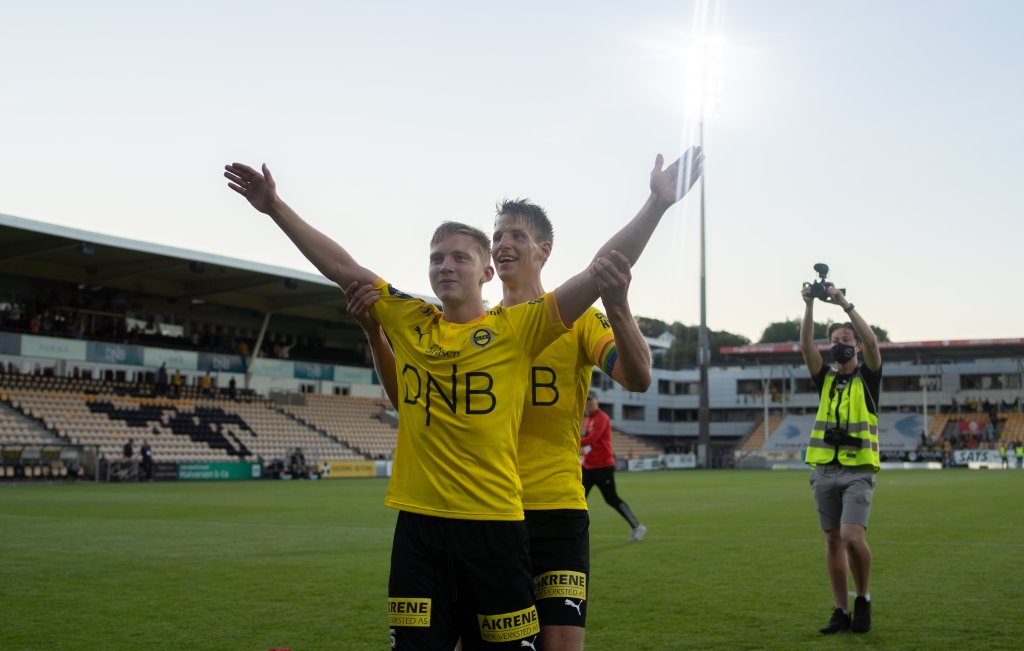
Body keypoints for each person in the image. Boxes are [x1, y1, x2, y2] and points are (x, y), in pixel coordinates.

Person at [226, 148, 701, 649]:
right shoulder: (420, 322)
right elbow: (345, 270)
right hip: (439, 519)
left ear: (515, 261)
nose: (452, 264)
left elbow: (612, 297)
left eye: (465, 255)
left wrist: (655, 207)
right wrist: (277, 208)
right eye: (440, 257)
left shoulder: (527, 326)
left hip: (522, 512)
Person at [352, 200, 654, 651]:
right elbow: (411, 402)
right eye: (496, 238)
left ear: (544, 250)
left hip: (553, 510)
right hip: (479, 514)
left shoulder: (579, 320)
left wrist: (620, 306)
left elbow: (637, 376)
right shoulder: (480, 328)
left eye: (515, 235)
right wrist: (375, 334)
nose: (502, 245)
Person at [799, 280, 882, 635]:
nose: (839, 345)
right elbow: (805, 347)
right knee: (832, 540)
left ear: (856, 347)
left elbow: (874, 343)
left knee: (851, 536)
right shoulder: (827, 380)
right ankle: (840, 610)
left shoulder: (868, 377)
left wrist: (843, 303)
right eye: (835, 341)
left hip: (857, 471)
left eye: (846, 341)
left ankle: (862, 598)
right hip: (824, 470)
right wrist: (809, 306)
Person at [581, 392, 646, 541]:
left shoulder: (602, 418)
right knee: (579, 498)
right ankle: (574, 533)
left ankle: (637, 526)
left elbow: (592, 439)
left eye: (591, 401)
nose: (588, 404)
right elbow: (587, 441)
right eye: (586, 402)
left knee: (611, 499)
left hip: (603, 467)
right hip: (588, 467)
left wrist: (573, 443)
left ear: (597, 401)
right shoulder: (587, 420)